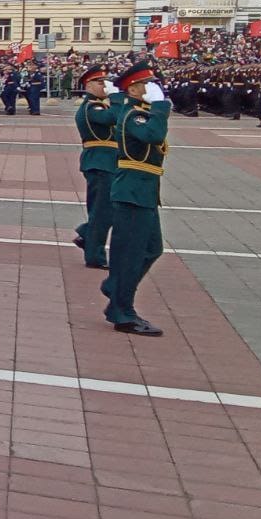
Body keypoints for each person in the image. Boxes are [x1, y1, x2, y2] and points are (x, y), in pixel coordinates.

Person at [102, 60, 170, 337]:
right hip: (132, 192)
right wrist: (161, 106)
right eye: (145, 84)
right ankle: (122, 311)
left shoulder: (139, 112)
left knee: (152, 249)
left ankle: (115, 287)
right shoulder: (133, 115)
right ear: (133, 88)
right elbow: (154, 135)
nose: (150, 87)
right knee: (129, 255)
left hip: (142, 191)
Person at [72, 65, 117, 270]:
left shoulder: (99, 105)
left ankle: (86, 235)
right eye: (100, 82)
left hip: (105, 161)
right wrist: (117, 98)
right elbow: (112, 119)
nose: (105, 86)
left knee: (104, 210)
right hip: (99, 161)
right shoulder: (93, 108)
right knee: (101, 212)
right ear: (89, 85)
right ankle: (95, 256)